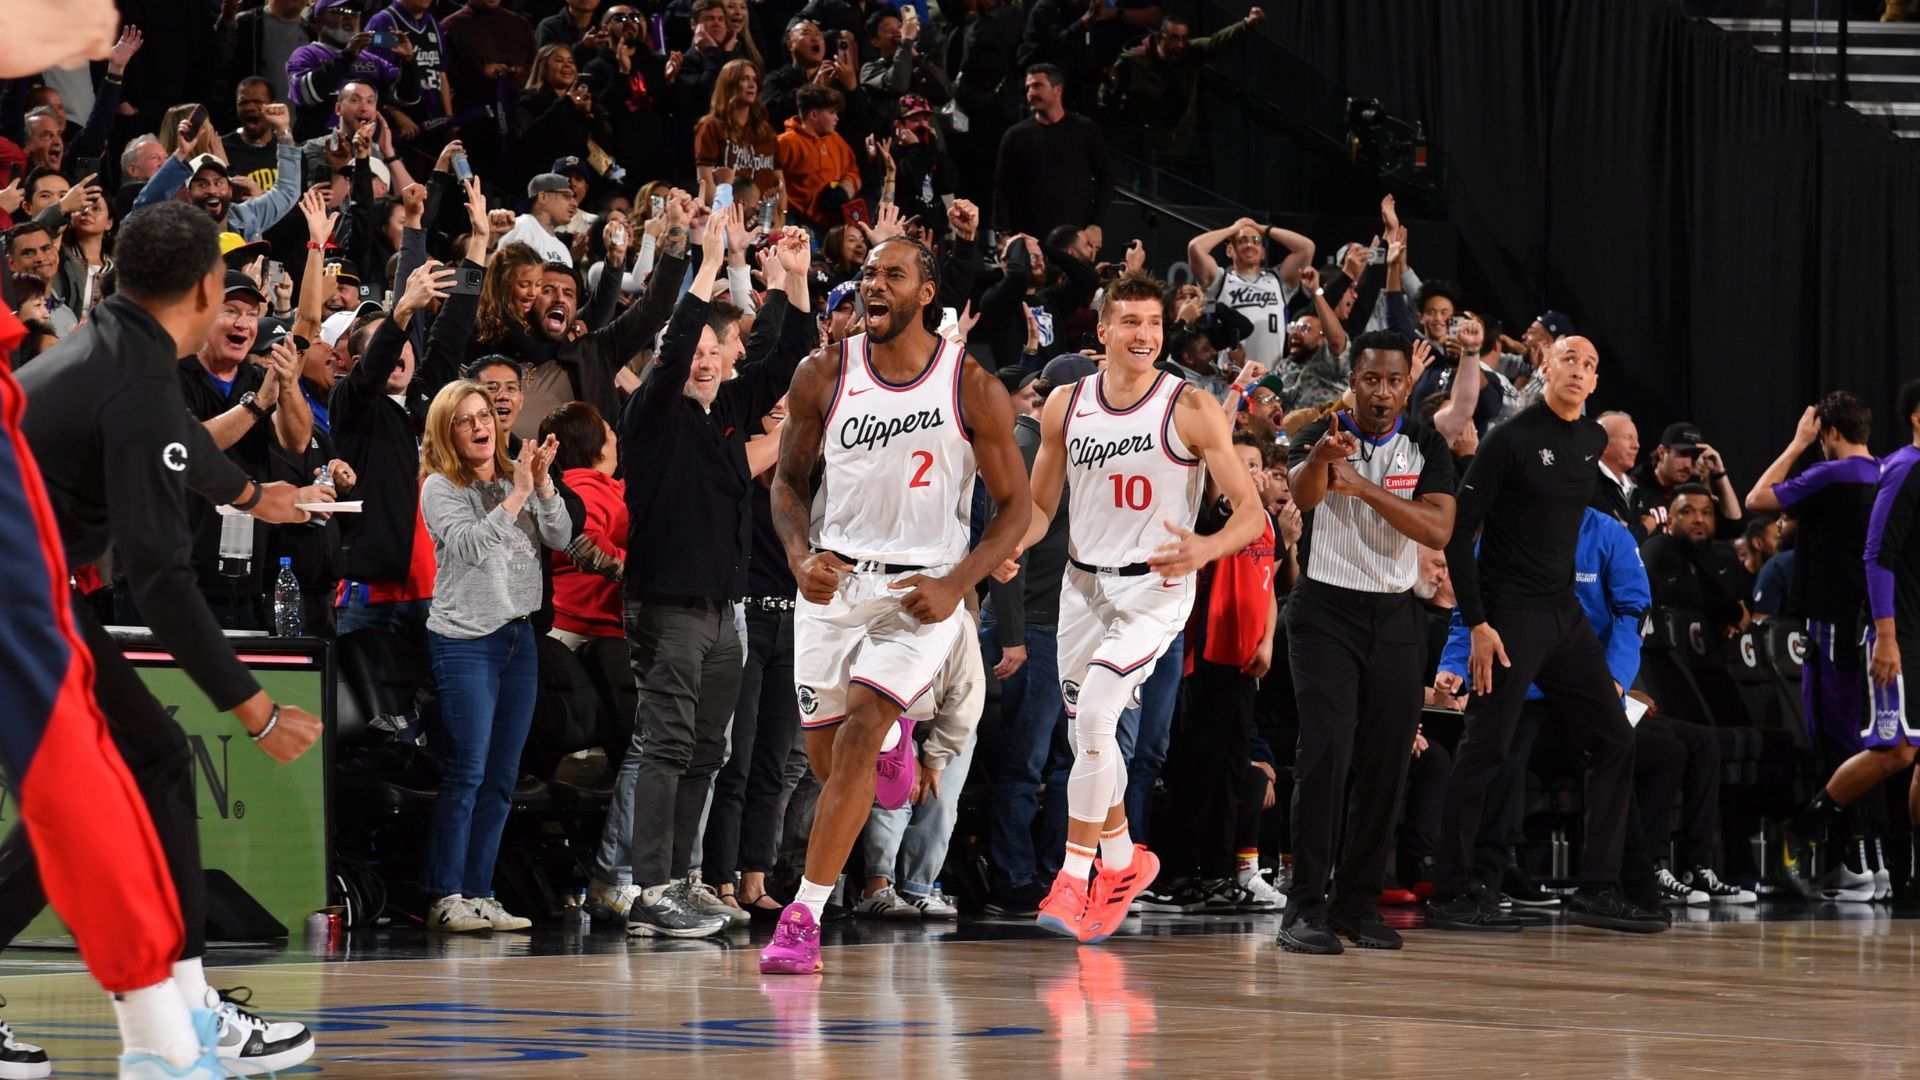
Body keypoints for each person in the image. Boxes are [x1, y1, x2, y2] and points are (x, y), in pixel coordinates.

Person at [11, 202, 323, 1075]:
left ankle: (185, 1007)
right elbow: (159, 579)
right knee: (141, 764)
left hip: (25, 593)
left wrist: (255, 496)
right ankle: (187, 1014)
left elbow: (181, 448)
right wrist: (256, 710)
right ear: (205, 290)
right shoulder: (139, 381)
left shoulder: (112, 349)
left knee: (110, 780)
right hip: (19, 600)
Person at [760, 234, 1031, 973]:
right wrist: (799, 556)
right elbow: (788, 482)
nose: (874, 285)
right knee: (828, 763)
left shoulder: (970, 384)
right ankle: (890, 750)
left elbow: (1014, 506)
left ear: (926, 293)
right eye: (867, 274)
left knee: (860, 732)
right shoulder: (823, 372)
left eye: (893, 275)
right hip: (836, 580)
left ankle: (803, 919)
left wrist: (958, 583)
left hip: (921, 591)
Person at [1015, 271, 1265, 944]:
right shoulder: (1065, 404)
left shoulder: (1191, 406)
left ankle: (1075, 877)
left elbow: (1251, 513)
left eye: (1153, 323)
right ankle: (1125, 858)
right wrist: (1008, 547)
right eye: (1130, 321)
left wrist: (1205, 548)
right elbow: (1039, 508)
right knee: (1086, 739)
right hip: (1082, 587)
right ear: (1102, 331)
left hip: (1156, 587)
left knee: (1099, 715)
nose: (1144, 334)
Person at [604, 211, 814, 937]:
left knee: (707, 749)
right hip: (668, 607)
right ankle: (649, 888)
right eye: (692, 350)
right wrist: (711, 263)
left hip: (727, 611)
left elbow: (786, 361)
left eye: (712, 352)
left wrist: (794, 281)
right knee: (667, 744)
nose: (701, 361)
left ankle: (684, 879)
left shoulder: (726, 408)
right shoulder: (652, 413)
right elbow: (670, 356)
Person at [1427, 336, 1654, 933]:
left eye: (1590, 365)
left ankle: (1598, 888)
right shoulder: (1511, 439)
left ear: (1596, 383)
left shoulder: (1592, 440)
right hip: (1511, 615)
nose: (1579, 370)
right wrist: (1478, 622)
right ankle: (1452, 889)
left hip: (1563, 614)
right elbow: (1458, 533)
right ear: (1545, 368)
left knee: (1614, 739)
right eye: (1569, 360)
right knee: (1486, 748)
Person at [1282, 330, 1457, 953]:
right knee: (1326, 755)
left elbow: (1438, 528)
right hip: (1324, 612)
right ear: (1352, 380)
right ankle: (1303, 907)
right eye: (1371, 379)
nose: (1381, 392)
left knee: (1387, 764)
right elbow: (1302, 495)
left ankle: (1355, 905)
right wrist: (1323, 462)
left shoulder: (1426, 444)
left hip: (1396, 615)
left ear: (1408, 386)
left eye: (1393, 381)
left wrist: (1361, 487)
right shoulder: (1320, 432)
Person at [417, 379, 571, 933]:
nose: (480, 425)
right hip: (464, 641)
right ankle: (445, 894)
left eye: (484, 415)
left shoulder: (517, 478)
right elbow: (469, 547)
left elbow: (560, 537)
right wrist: (518, 494)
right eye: (465, 420)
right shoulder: (440, 487)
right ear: (448, 432)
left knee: (503, 775)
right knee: (468, 770)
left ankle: (480, 892)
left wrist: (542, 484)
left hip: (517, 638)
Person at [1772, 380, 1920, 898]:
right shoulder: (1901, 467)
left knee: (1910, 755)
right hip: (1895, 632)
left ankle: (1905, 871)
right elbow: (1878, 554)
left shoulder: (1885, 469)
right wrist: (1887, 634)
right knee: (1892, 752)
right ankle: (1805, 833)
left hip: (1905, 629)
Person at [1744, 395, 1878, 756]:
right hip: (1873, 617)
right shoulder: (1886, 473)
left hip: (1831, 617)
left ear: (1831, 432)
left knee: (1833, 730)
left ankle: (1836, 794)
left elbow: (1756, 500)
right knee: (1869, 722)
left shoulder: (1830, 475)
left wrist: (1797, 443)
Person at [992, 64, 1110, 241]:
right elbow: (1002, 187)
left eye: (1037, 86)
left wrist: (1096, 224)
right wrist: (1002, 233)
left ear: (1057, 90)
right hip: (1028, 240)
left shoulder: (1084, 129)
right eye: (1028, 88)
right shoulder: (1015, 136)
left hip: (1076, 239)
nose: (1031, 93)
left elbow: (1105, 178)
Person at [1185, 216, 1314, 368]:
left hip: (1271, 375)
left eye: (1256, 241)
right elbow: (1195, 247)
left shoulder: (1279, 281)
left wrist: (1263, 229)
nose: (1249, 245)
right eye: (1241, 241)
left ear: (1263, 252)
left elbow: (1306, 248)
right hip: (1230, 374)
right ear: (1229, 250)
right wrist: (1233, 229)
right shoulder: (1220, 281)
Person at [693, 58, 781, 208]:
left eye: (754, 80)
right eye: (744, 79)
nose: (752, 85)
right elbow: (705, 179)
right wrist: (721, 214)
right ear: (729, 84)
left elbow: (779, 179)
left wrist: (781, 213)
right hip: (729, 213)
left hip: (764, 215)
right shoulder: (711, 126)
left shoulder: (765, 131)